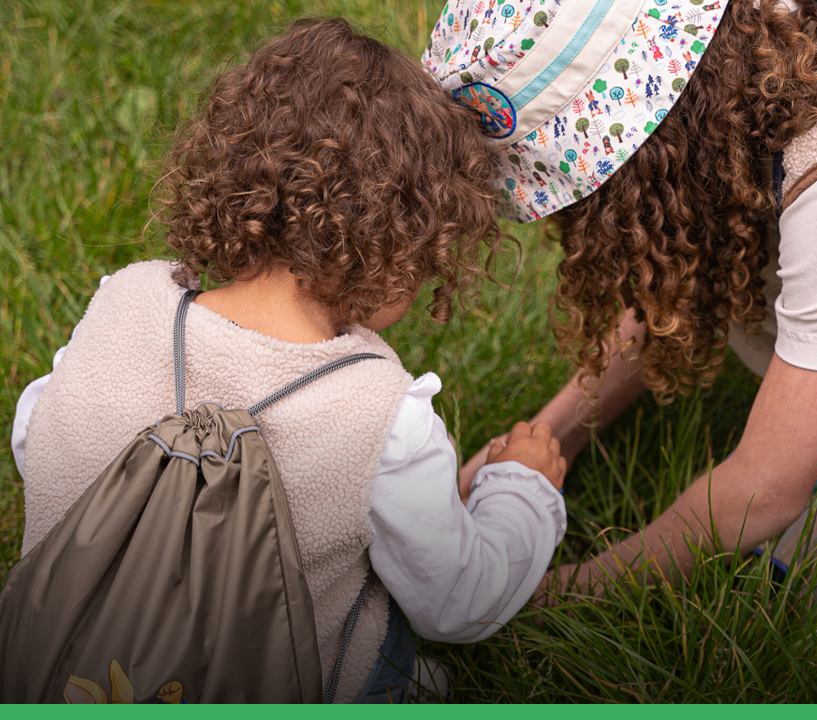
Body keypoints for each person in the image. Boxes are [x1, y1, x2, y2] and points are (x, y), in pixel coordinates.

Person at [424, 0, 817, 590]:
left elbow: (765, 490)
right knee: (719, 251)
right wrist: (548, 436)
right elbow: (677, 295)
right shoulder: (740, 54)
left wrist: (552, 594)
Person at [11, 19, 567, 703]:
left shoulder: (123, 300)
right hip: (274, 687)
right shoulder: (382, 415)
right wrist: (521, 491)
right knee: (385, 618)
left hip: (48, 662)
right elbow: (460, 604)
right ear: (404, 241)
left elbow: (34, 437)